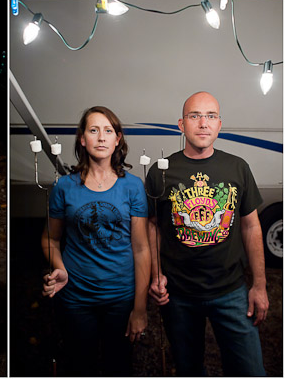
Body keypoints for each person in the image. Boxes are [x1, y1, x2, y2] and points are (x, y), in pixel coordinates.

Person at [146, 91, 267, 376]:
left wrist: (259, 285)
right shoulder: (160, 172)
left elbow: (251, 226)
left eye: (210, 116)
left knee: (250, 371)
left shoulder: (237, 167)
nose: (203, 123)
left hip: (231, 290)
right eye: (195, 116)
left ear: (219, 125)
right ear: (181, 124)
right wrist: (156, 273)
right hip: (179, 294)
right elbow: (152, 227)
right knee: (189, 369)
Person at [41, 106, 150, 376]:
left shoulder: (133, 186)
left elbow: (141, 248)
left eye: (108, 131)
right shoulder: (64, 186)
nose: (101, 137)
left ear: (117, 140)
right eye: (93, 130)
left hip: (121, 298)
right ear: (82, 139)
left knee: (119, 365)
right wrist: (60, 269)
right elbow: (49, 239)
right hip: (76, 298)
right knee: (81, 365)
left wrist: (139, 307)